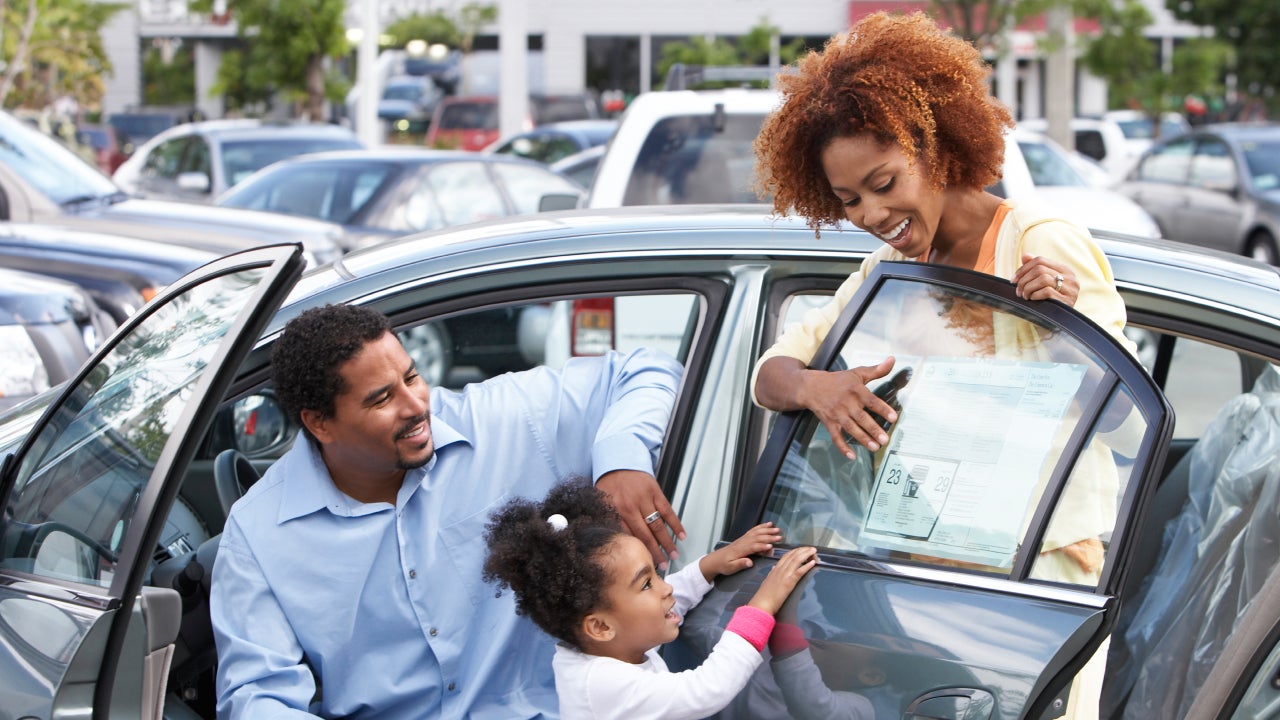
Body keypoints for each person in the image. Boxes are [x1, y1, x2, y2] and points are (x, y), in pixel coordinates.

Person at [749, 12, 1137, 720]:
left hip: (1037, 585)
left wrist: (1065, 325)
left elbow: (1115, 414)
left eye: (884, 181)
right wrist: (817, 388)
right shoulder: (890, 269)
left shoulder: (1039, 241)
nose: (872, 211)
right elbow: (771, 374)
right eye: (849, 200)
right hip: (934, 582)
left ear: (934, 144)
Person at [210, 303, 684, 719]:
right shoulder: (258, 535)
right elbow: (258, 698)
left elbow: (645, 369)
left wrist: (621, 461)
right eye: (381, 398)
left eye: (412, 376)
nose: (417, 404)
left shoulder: (504, 420)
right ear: (320, 423)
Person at [483, 478, 819, 720]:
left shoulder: (610, 645)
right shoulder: (602, 683)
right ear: (600, 626)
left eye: (655, 576)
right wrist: (763, 605)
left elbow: (661, 602)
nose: (666, 589)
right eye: (647, 584)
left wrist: (709, 566)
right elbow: (708, 687)